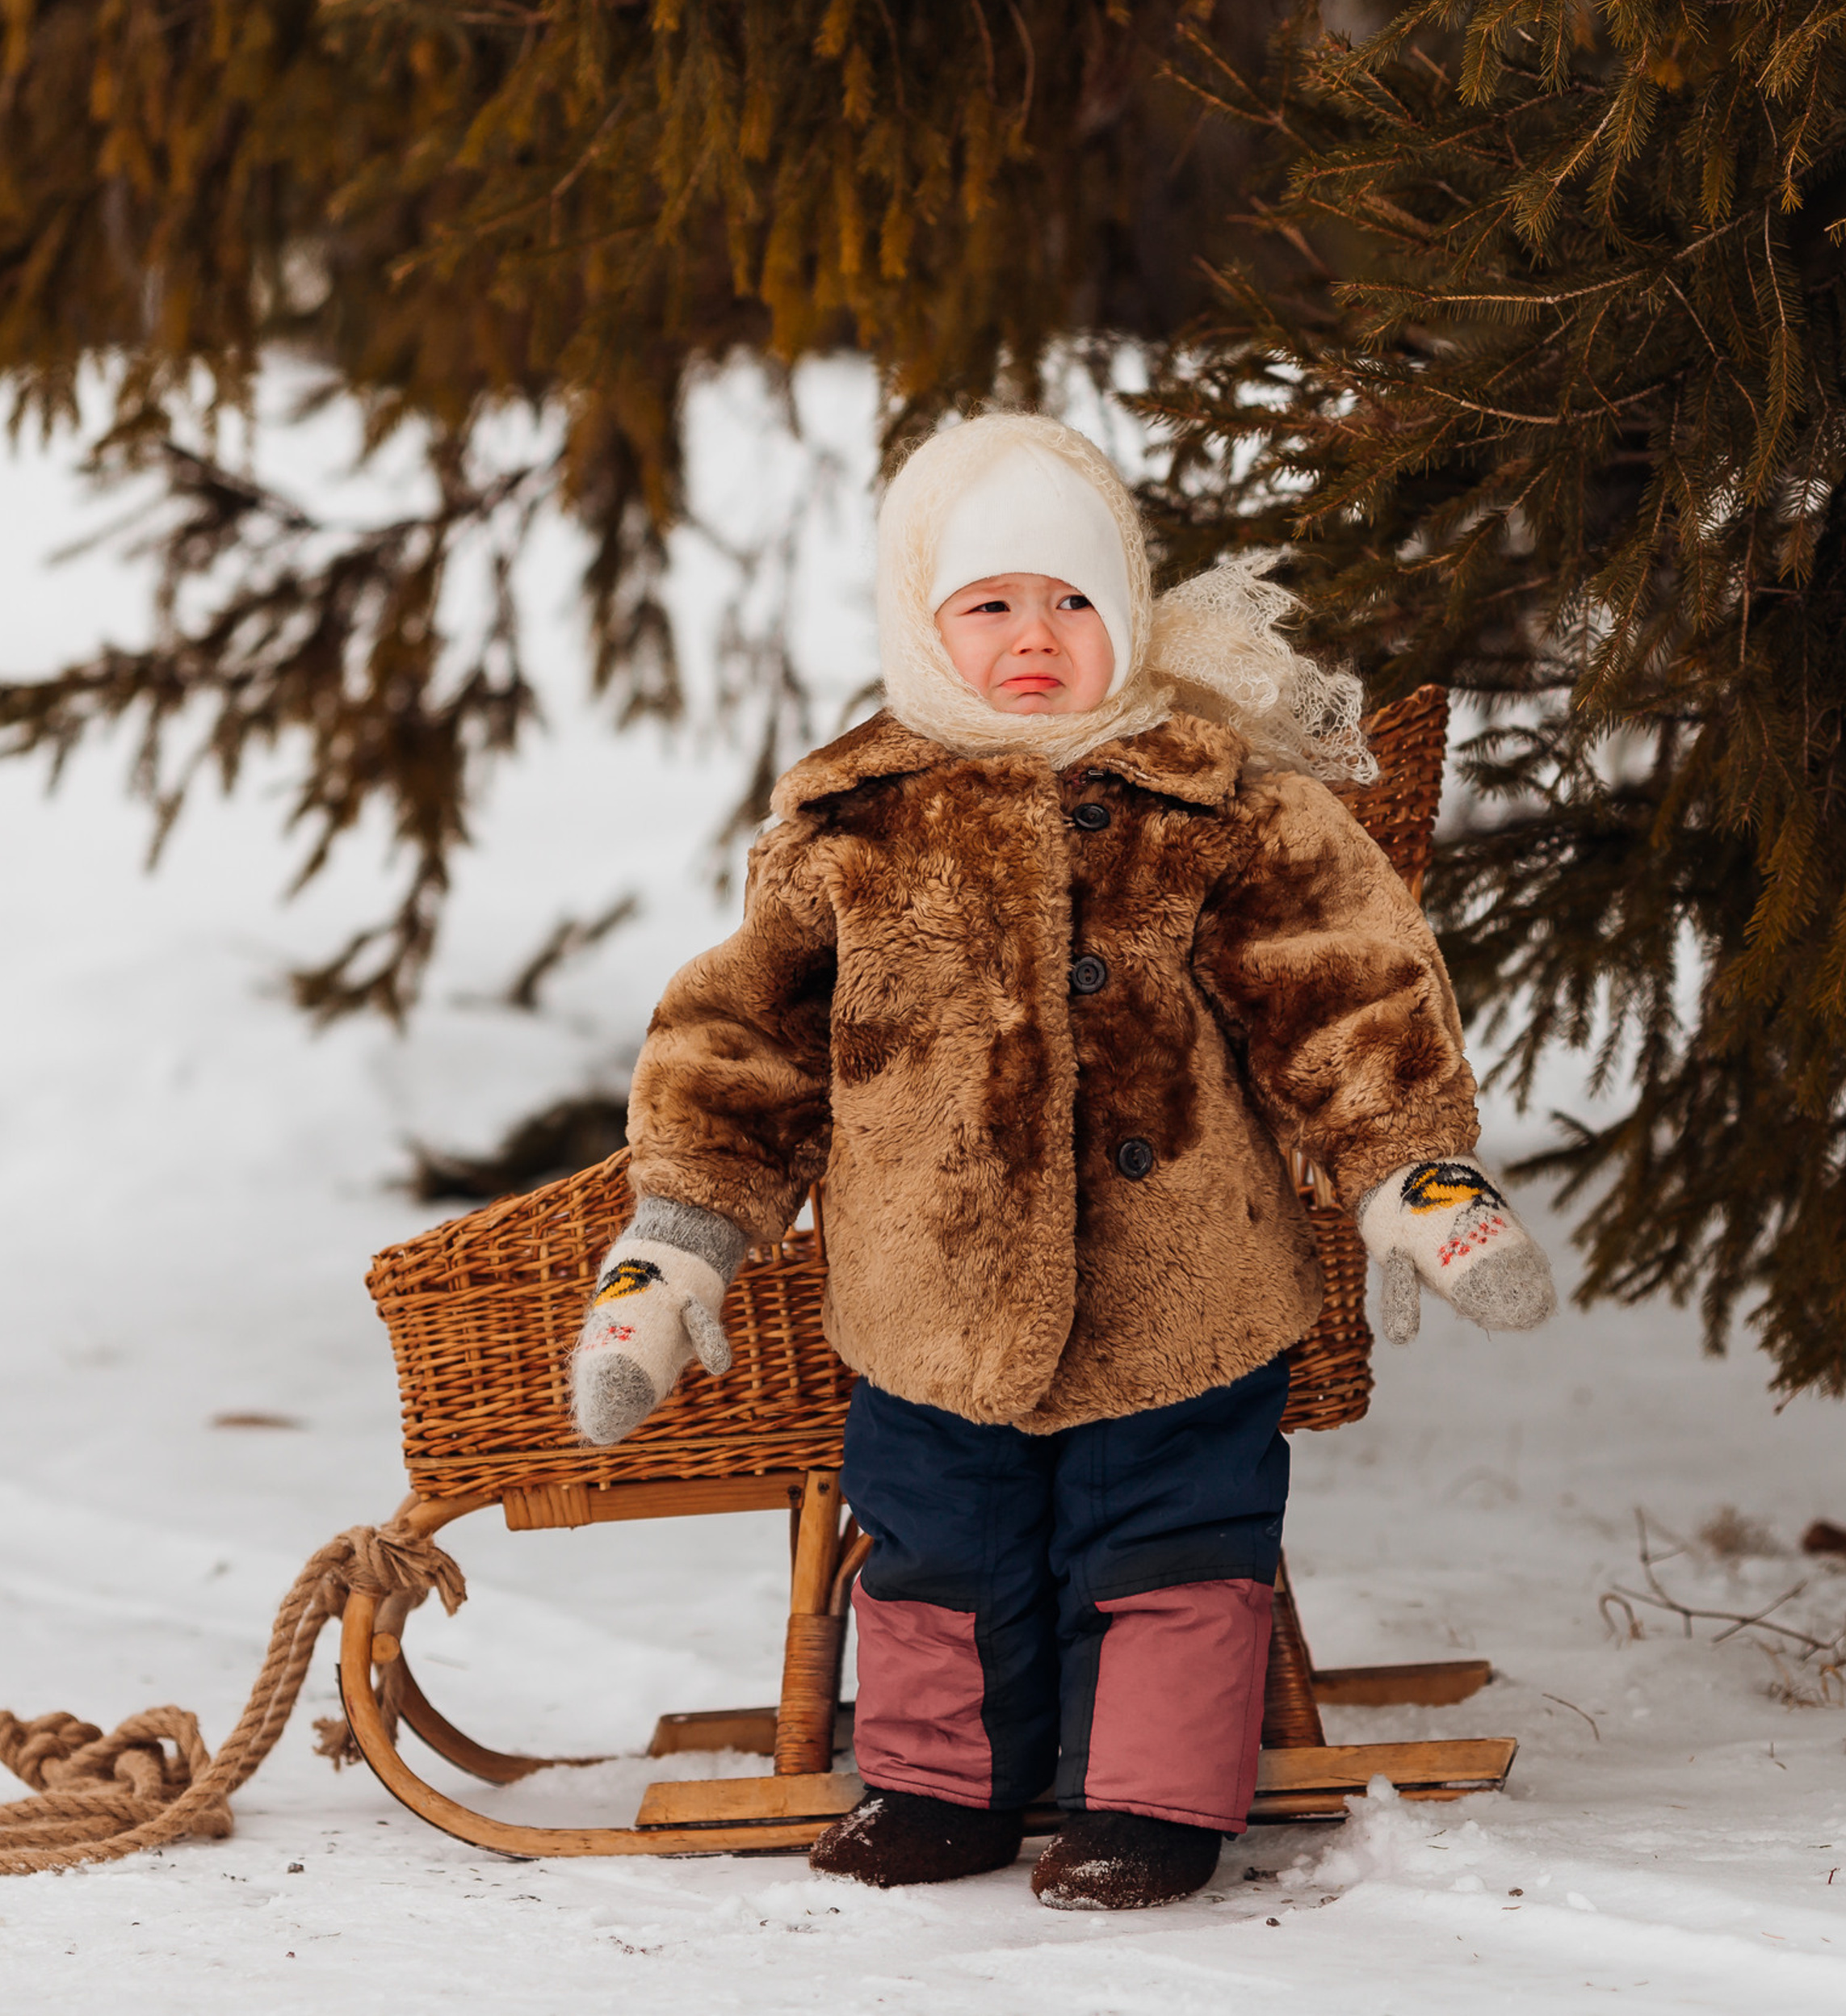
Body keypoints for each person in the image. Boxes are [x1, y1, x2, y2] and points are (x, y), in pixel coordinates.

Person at [566, 414, 1556, 1909]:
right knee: (933, 1547)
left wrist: (1407, 1167)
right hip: (925, 1298)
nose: (1037, 636)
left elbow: (1344, 984)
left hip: (1186, 1289)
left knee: (1168, 1542)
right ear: (922, 621)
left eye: (1074, 601)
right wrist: (680, 1232)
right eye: (991, 603)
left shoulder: (1218, 805)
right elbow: (743, 1037)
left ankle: (1149, 1802)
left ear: (1131, 615)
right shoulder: (852, 824)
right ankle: (940, 1787)